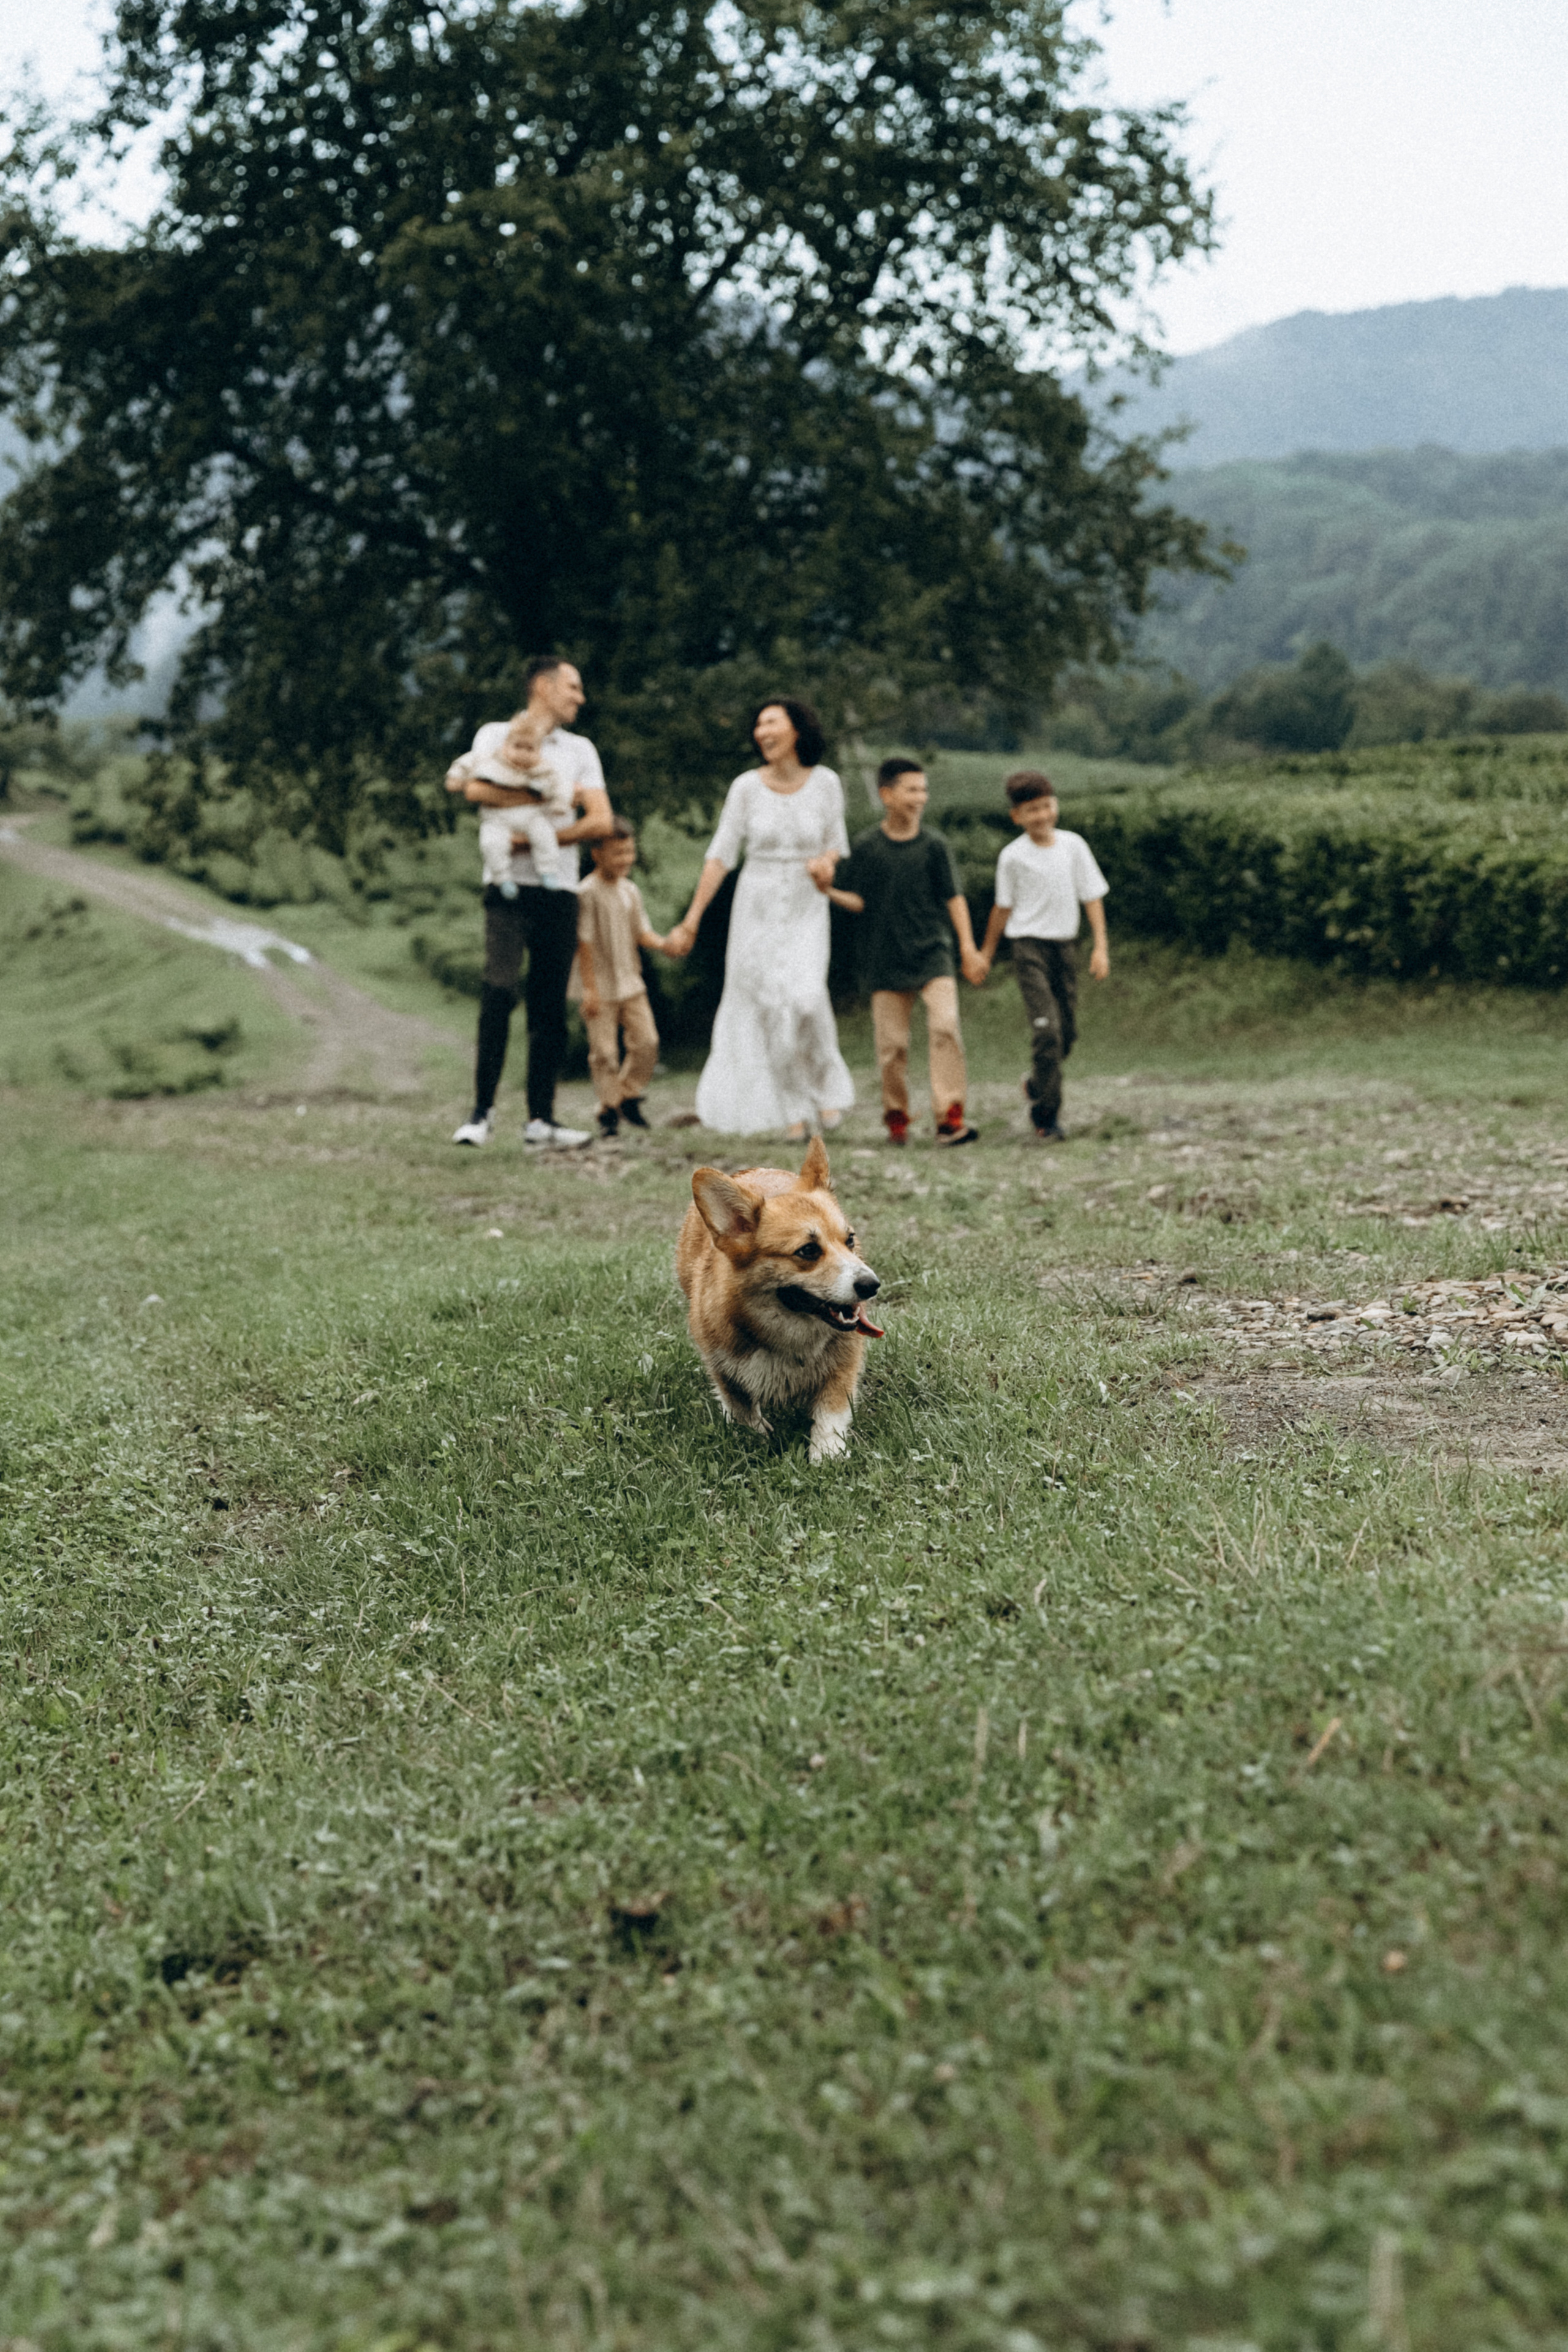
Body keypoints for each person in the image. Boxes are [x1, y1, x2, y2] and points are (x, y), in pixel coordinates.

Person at [665, 698, 854, 1140]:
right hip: (757, 905)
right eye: (758, 726)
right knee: (771, 1007)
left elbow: (836, 843)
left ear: (797, 729)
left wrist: (825, 864)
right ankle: (791, 1108)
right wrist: (692, 919)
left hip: (808, 904)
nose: (761, 732)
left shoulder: (826, 783)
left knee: (807, 999)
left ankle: (824, 1088)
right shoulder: (746, 788)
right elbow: (721, 856)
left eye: (771, 722)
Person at [447, 657, 613, 1148]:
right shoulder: (494, 733)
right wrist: (542, 799)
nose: (580, 697)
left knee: (548, 1003)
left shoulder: (580, 749)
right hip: (505, 889)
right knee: (498, 989)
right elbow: (475, 788)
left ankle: (541, 1119)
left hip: (559, 889)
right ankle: (481, 1113)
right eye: (573, 687)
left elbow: (601, 820)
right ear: (543, 687)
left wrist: (536, 832)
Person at [808, 755, 987, 1147]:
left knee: (945, 1026)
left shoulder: (935, 846)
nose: (920, 797)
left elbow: (954, 898)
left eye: (924, 790)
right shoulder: (868, 847)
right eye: (912, 790)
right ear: (886, 795)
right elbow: (858, 900)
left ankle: (949, 1118)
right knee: (892, 1048)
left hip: (933, 954)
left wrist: (969, 949)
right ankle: (897, 1118)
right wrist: (827, 892)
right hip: (883, 958)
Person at [975, 770, 1110, 1142]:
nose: (1042, 815)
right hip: (1028, 949)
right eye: (1032, 810)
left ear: (1056, 805)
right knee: (1047, 1031)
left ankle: (1037, 1083)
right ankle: (1046, 1116)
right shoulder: (1013, 857)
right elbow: (1002, 909)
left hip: (1065, 948)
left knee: (1066, 1034)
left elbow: (1092, 897)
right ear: (1017, 816)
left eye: (1047, 806)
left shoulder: (1074, 846)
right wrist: (985, 953)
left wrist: (1101, 946)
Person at [576, 819, 672, 1139]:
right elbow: (584, 943)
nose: (625, 859)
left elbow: (641, 933)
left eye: (629, 852)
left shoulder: (630, 890)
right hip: (599, 986)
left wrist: (665, 944)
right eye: (617, 853)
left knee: (647, 1042)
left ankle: (627, 1095)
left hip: (630, 981)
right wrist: (589, 989)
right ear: (597, 854)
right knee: (604, 1052)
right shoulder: (587, 893)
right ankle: (609, 1111)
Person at [447, 707, 574, 893]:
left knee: (545, 836)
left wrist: (560, 803)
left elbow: (562, 785)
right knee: (491, 843)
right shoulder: (491, 759)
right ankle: (502, 878)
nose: (523, 753)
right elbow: (467, 762)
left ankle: (548, 871)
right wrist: (455, 778)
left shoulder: (544, 769)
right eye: (518, 747)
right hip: (497, 817)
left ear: (539, 751)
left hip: (531, 818)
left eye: (530, 748)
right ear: (506, 745)